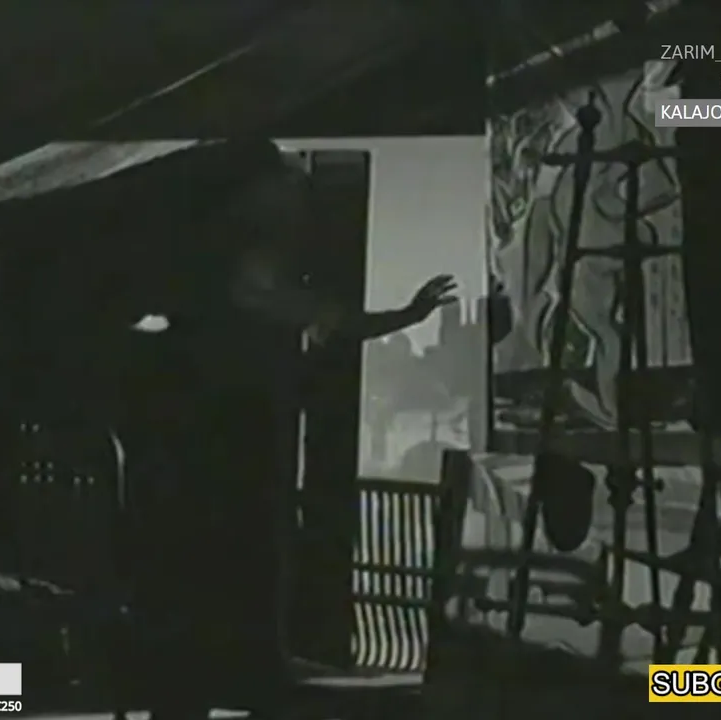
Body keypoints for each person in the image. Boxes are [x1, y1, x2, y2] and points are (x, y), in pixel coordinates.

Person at [117, 140, 463, 720]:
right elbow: (322, 319)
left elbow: (318, 318)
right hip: (242, 443)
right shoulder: (246, 282)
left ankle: (194, 687)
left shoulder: (208, 286)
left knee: (202, 575)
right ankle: (234, 679)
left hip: (215, 451)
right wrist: (405, 315)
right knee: (240, 564)